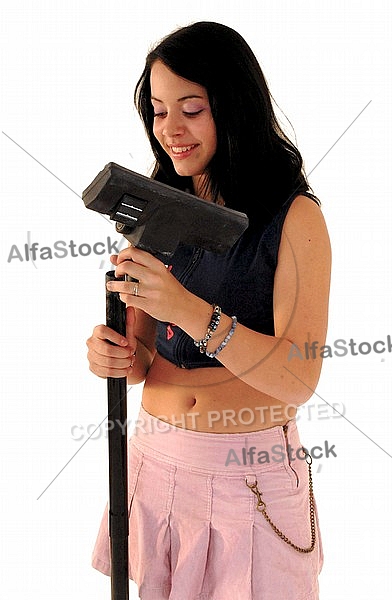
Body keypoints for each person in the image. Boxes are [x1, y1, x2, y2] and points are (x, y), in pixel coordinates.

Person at [87, 21, 331, 600]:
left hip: (251, 475)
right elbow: (145, 356)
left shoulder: (295, 220)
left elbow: (297, 376)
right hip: (155, 463)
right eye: (158, 110)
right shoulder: (158, 208)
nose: (171, 129)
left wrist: (190, 310)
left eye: (191, 108)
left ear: (234, 105)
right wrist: (118, 352)